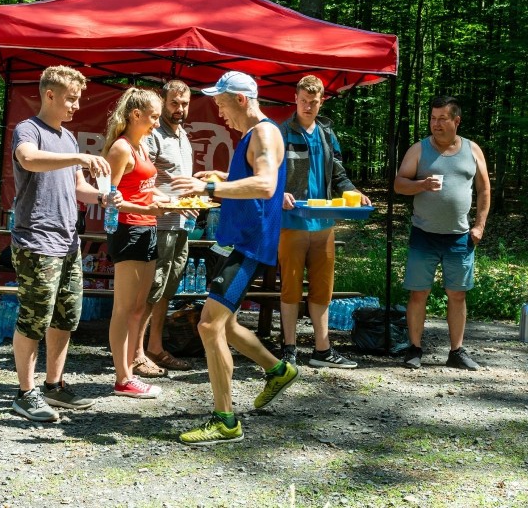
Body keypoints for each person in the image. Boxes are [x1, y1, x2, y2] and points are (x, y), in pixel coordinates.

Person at [172, 71, 297, 446]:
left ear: (241, 99)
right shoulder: (253, 136)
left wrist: (210, 186)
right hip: (234, 239)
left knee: (208, 326)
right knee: (223, 325)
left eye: (222, 104)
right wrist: (225, 175)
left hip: (247, 243)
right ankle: (277, 369)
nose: (220, 112)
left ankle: (226, 421)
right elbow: (254, 177)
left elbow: (266, 184)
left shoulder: (264, 132)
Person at [9, 66, 118, 422]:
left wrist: (102, 198)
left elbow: (76, 187)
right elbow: (28, 158)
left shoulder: (68, 138)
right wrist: (79, 158)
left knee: (66, 317)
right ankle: (25, 393)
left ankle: (54, 386)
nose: (75, 105)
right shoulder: (29, 130)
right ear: (49, 95)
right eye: (70, 98)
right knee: (34, 318)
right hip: (36, 241)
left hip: (69, 242)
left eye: (78, 98)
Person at [279, 75, 370, 369]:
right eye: (303, 100)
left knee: (322, 290)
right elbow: (270, 174)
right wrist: (279, 193)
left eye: (313, 102)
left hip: (325, 225)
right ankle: (289, 349)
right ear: (295, 99)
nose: (308, 106)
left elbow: (339, 175)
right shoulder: (282, 132)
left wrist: (353, 191)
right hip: (292, 222)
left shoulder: (327, 133)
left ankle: (322, 350)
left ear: (322, 102)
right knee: (290, 289)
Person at [393, 95, 490, 371]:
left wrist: (480, 225)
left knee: (457, 294)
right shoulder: (419, 149)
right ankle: (414, 349)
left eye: (442, 119)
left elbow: (484, 189)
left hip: (460, 236)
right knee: (418, 293)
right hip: (424, 233)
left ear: (456, 121)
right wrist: (421, 184)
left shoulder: (472, 150)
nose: (436, 124)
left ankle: (456, 351)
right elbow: (399, 184)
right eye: (433, 118)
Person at [102, 87, 170, 399]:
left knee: (140, 307)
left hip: (149, 229)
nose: (158, 123)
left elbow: (144, 189)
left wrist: (173, 201)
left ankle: (130, 370)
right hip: (128, 232)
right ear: (136, 115)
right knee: (124, 308)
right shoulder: (120, 149)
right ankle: (122, 377)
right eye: (154, 117)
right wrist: (146, 209)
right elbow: (109, 201)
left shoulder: (140, 146)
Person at [132, 80, 196, 377]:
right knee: (150, 290)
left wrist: (193, 201)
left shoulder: (183, 136)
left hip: (181, 225)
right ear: (163, 101)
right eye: (174, 103)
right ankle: (136, 354)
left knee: (166, 291)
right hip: (157, 223)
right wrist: (174, 201)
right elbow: (143, 182)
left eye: (184, 103)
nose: (180, 109)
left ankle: (155, 347)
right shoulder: (152, 135)